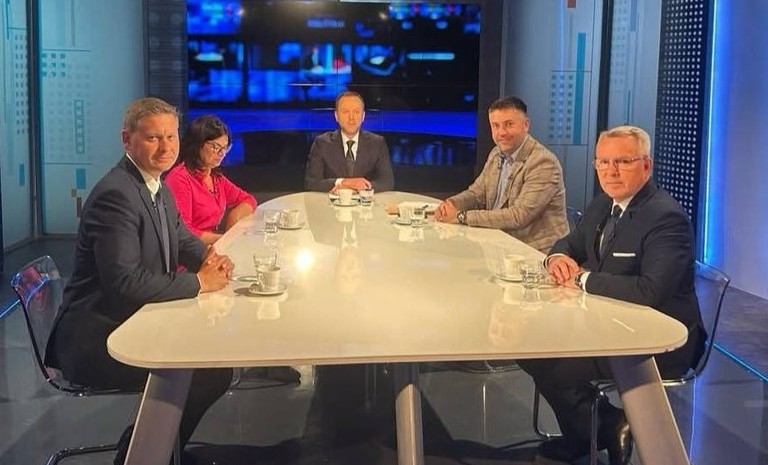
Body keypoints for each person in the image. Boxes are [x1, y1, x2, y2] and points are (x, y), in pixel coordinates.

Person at [45, 97, 235, 465]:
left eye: (171, 136)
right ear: (127, 140)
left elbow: (182, 239)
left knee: (210, 364)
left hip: (130, 320)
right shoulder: (116, 195)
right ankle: (140, 454)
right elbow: (126, 282)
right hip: (98, 338)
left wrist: (211, 261)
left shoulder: (157, 186)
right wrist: (200, 282)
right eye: (153, 138)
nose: (166, 148)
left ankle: (155, 449)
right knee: (206, 373)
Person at [518, 125, 706, 465]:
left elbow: (650, 290)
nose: (611, 171)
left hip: (656, 341)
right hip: (608, 323)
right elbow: (569, 244)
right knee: (526, 344)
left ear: (646, 165)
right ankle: (602, 425)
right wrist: (556, 259)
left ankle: (595, 429)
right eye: (603, 162)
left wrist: (582, 280)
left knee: (550, 362)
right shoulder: (604, 203)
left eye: (623, 161)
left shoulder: (666, 218)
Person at [434, 96, 568, 253]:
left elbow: (519, 216)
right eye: (496, 126)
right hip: (500, 245)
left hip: (536, 253)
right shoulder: (496, 153)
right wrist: (451, 204)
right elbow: (476, 194)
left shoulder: (543, 162)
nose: (501, 132)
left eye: (509, 124)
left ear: (526, 125)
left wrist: (461, 216)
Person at [164, 114, 257, 245]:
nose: (221, 154)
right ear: (198, 144)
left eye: (225, 148)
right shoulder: (180, 178)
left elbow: (248, 200)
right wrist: (225, 239)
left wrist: (234, 220)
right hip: (191, 251)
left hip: (214, 245)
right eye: (215, 147)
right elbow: (183, 232)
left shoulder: (216, 178)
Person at [304, 91, 395, 193]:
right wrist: (342, 182)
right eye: (345, 112)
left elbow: (387, 182)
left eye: (356, 112)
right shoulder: (321, 143)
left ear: (363, 116)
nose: (351, 118)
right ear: (336, 116)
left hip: (366, 202)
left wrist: (358, 188)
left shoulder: (377, 143)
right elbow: (311, 183)